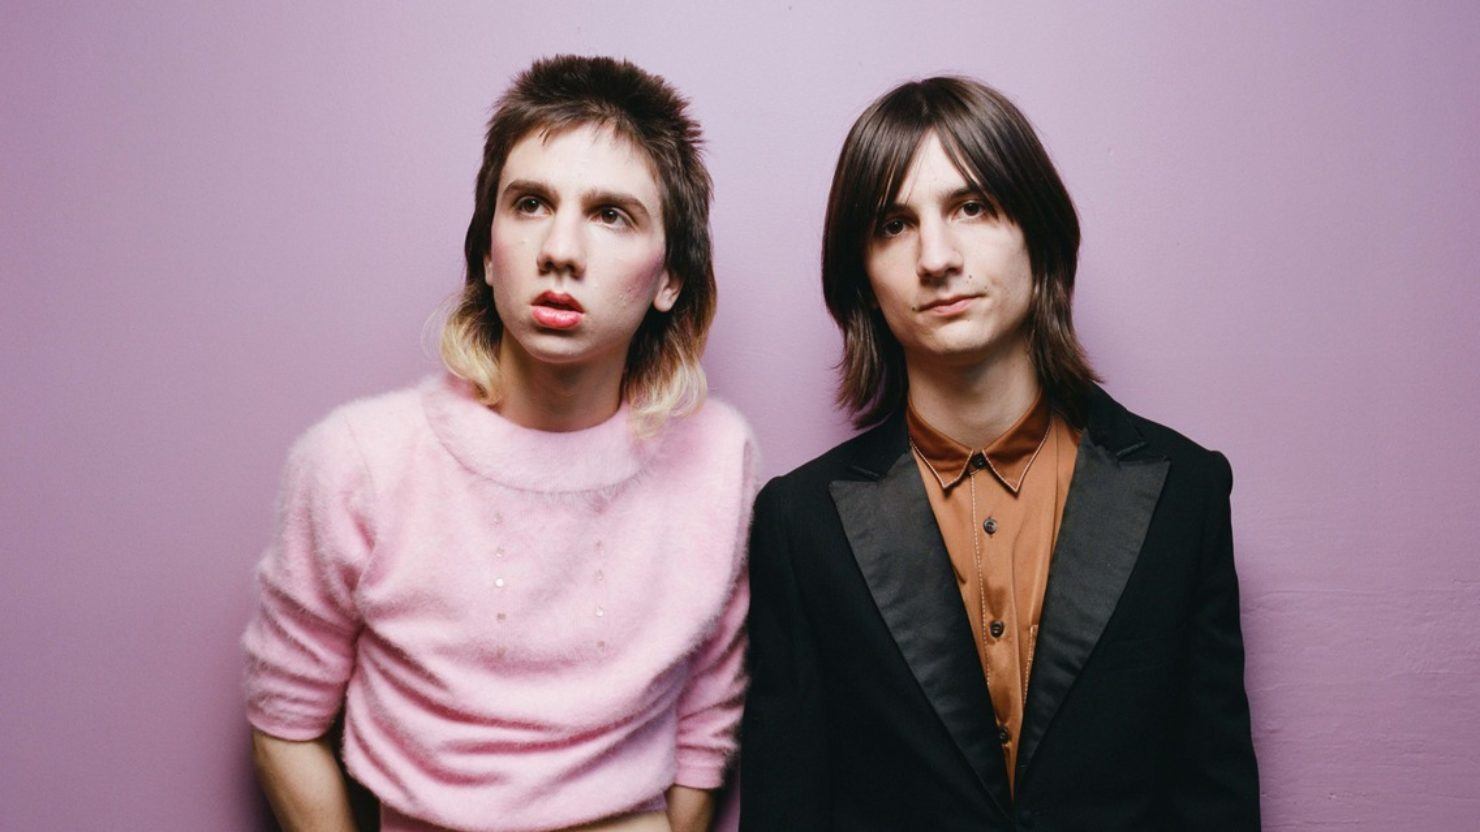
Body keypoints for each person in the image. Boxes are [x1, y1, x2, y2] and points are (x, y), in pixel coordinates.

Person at [243, 55, 755, 832]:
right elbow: (283, 718)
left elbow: (707, 725)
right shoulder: (358, 461)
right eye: (530, 204)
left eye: (611, 215)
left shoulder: (719, 460)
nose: (560, 249)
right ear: (488, 250)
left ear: (670, 280)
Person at [740, 76, 1259, 830]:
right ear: (863, 278)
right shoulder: (799, 522)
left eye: (972, 207)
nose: (936, 257)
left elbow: (1217, 799)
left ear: (1037, 232)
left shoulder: (1186, 492)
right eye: (894, 224)